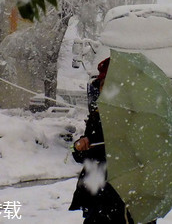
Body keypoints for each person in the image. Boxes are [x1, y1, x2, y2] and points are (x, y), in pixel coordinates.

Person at [69, 58, 134, 223]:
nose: (105, 89)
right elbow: (84, 156)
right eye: (103, 84)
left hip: (124, 198)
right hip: (96, 196)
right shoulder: (96, 116)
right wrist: (79, 147)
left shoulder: (135, 118)